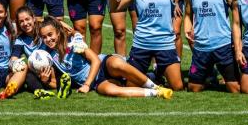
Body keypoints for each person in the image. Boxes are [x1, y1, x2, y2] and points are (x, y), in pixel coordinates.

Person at [40, 16, 173, 99]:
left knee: (117, 64)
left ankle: (155, 86)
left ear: (58, 32)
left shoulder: (74, 42)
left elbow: (96, 60)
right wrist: (45, 81)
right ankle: (157, 93)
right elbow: (54, 83)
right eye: (44, 37)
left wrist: (86, 84)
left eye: (50, 34)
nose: (48, 39)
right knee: (112, 91)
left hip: (103, 65)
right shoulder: (48, 56)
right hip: (97, 82)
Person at [109, 0, 185, 91]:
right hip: (142, 43)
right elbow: (115, 7)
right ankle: (151, 76)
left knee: (178, 86)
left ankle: (155, 74)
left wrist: (177, 2)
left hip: (165, 43)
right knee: (131, 85)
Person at [184, 0, 240, 93]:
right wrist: (187, 29)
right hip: (201, 47)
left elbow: (235, 8)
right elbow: (188, 14)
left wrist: (236, 37)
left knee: (235, 89)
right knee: (193, 88)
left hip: (223, 44)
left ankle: (217, 76)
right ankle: (210, 77)